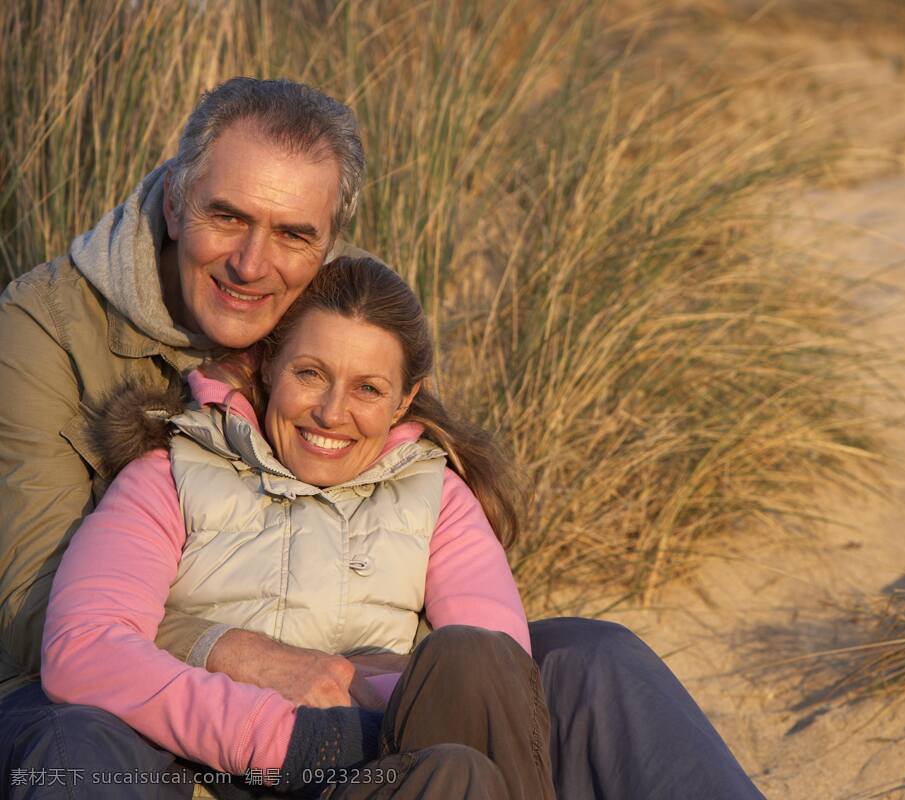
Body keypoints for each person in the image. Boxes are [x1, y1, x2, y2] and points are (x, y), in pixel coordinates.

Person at [0, 76, 765, 799]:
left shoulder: (342, 314)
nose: (251, 263)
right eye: (228, 216)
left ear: (329, 242)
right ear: (176, 201)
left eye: (294, 233)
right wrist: (237, 653)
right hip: (123, 690)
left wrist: (376, 684)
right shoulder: (41, 335)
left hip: (356, 677)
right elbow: (43, 618)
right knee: (78, 742)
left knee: (594, 659)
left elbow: (410, 495)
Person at [42, 257, 554, 799]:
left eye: (368, 390)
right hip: (231, 768)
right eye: (310, 374)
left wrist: (366, 707)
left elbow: (496, 688)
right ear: (267, 365)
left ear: (405, 399)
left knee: (475, 676)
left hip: (394, 768)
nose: (332, 413)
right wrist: (287, 734)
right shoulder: (170, 474)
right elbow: (85, 648)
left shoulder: (437, 497)